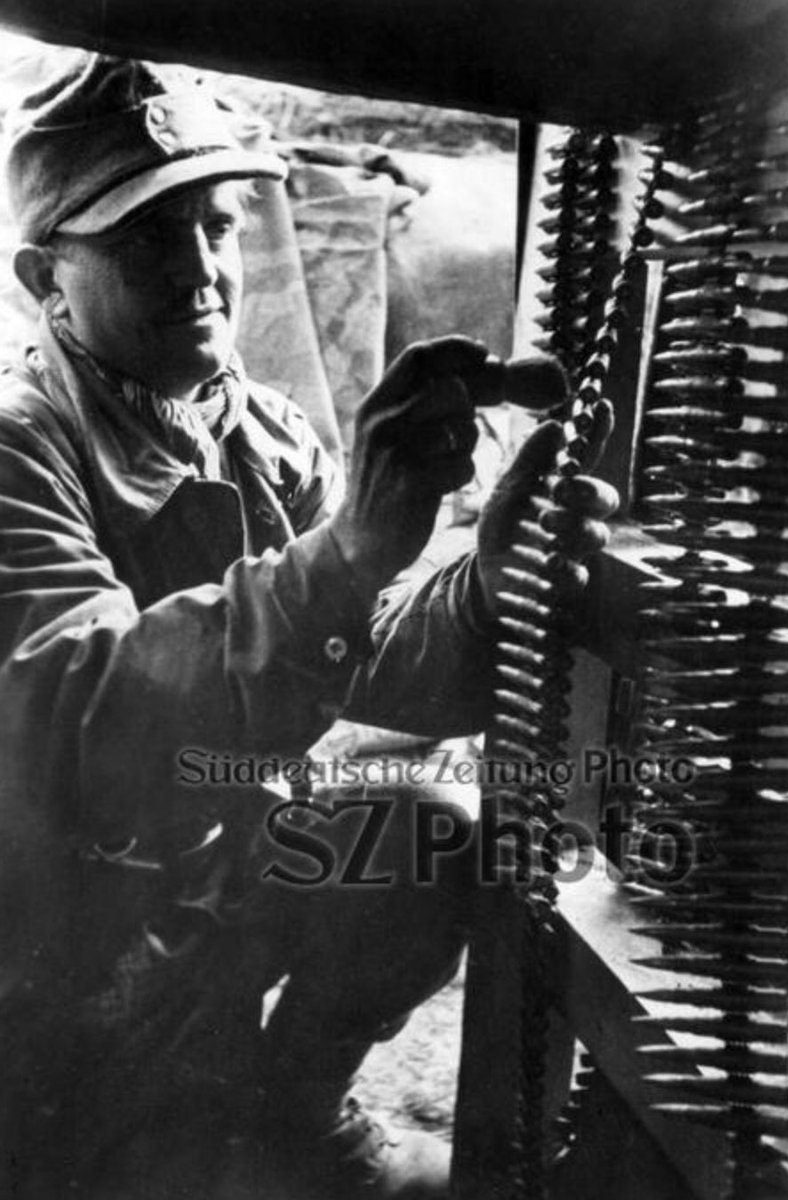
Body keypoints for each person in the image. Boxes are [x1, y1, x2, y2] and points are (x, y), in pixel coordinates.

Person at [0, 53, 615, 1200]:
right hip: (50, 954)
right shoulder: (15, 451)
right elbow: (89, 731)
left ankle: (289, 1114)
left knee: (434, 827)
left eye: (217, 226)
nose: (202, 271)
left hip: (207, 886)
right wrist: (342, 552)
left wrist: (485, 585)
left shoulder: (256, 431)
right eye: (146, 239)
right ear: (47, 275)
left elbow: (368, 658)